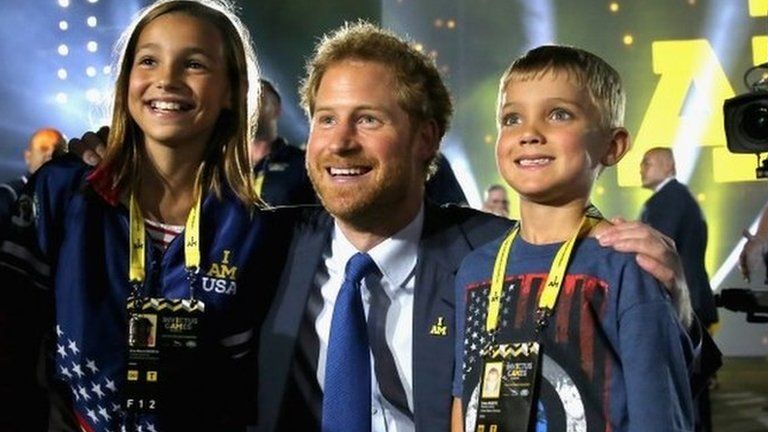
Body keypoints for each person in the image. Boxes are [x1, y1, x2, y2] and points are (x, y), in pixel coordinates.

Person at [67, 23, 699, 432]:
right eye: (324, 119)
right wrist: (111, 157)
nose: (339, 144)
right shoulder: (267, 241)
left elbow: (652, 375)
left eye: (368, 120)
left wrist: (676, 304)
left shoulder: (496, 250)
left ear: (427, 139)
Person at [0, 1, 291, 431]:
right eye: (149, 60)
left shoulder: (255, 230)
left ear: (232, 90)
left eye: (193, 64)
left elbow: (248, 389)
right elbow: (9, 351)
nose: (166, 80)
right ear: (126, 80)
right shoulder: (62, 194)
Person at [453, 46, 694, 431]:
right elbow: (466, 399)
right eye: (512, 118)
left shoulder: (627, 265)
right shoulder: (475, 269)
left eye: (558, 114)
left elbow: (660, 414)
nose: (529, 133)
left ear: (612, 146)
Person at [640, 146, 717, 432]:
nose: (641, 167)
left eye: (647, 162)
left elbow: (656, 250)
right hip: (691, 301)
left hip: (682, 304)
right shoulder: (679, 198)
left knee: (685, 387)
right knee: (692, 387)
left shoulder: (668, 200)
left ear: (668, 165)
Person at [250, 78, 317, 206]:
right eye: (245, 103)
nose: (251, 108)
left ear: (277, 109)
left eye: (259, 100)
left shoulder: (303, 164)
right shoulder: (221, 167)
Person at [0, 127, 66, 227]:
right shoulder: (8, 194)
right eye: (43, 148)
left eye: (58, 151)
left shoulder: (73, 199)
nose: (50, 154)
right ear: (28, 156)